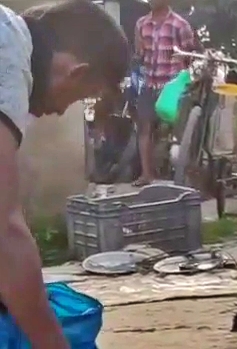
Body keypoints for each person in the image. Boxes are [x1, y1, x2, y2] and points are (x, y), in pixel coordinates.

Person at [0, 1, 129, 347]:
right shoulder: (7, 52)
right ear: (77, 72)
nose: (58, 111)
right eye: (78, 98)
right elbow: (5, 235)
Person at [133, 0, 196, 186]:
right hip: (150, 83)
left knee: (180, 131)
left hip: (172, 87)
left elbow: (189, 57)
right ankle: (147, 175)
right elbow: (140, 53)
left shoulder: (181, 25)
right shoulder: (141, 24)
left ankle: (187, 175)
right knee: (144, 129)